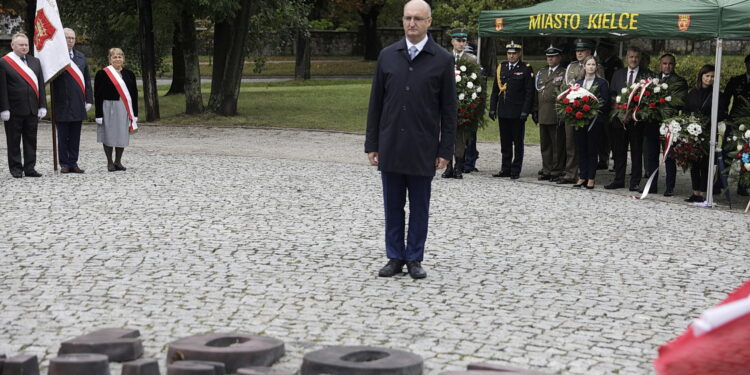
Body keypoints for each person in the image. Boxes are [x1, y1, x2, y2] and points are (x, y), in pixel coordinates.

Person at [365, 0, 456, 279]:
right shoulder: (388, 55)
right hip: (391, 142)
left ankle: (414, 257)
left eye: (417, 18)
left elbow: (449, 109)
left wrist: (445, 149)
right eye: (407, 18)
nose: (411, 23)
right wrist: (372, 144)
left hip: (422, 146)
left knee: (419, 206)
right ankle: (394, 255)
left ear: (429, 22)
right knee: (392, 205)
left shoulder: (441, 59)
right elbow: (376, 103)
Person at [605, 46, 653, 191]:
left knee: (637, 151)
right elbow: (612, 95)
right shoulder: (618, 74)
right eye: (631, 57)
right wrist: (619, 113)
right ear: (627, 58)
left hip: (637, 121)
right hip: (619, 120)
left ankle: (635, 182)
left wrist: (634, 113)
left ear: (640, 58)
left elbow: (648, 99)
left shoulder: (647, 75)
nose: (634, 60)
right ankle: (619, 179)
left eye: (636, 57)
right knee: (619, 151)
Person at [0, 33, 47, 178]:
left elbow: (40, 85)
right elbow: (2, 88)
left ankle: (30, 168)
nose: (24, 47)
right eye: (21, 45)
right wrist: (4, 108)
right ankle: (16, 169)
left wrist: (42, 105)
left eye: (26, 45)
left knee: (31, 140)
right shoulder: (4, 62)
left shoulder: (35, 62)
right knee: (13, 141)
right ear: (13, 46)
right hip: (13, 110)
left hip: (32, 109)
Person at [558, 39, 603, 184]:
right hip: (573, 110)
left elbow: (599, 89)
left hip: (589, 113)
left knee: (588, 146)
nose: (579, 53)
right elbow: (566, 87)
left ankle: (585, 174)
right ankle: (571, 173)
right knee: (571, 143)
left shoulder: (595, 66)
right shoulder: (571, 66)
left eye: (582, 51)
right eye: (577, 51)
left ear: (589, 52)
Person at [489, 41, 533, 179]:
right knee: (505, 142)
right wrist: (492, 108)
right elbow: (495, 90)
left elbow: (529, 92)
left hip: (517, 112)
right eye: (509, 53)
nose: (511, 56)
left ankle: (516, 169)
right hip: (503, 110)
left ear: (519, 54)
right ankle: (505, 168)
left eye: (514, 53)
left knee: (518, 142)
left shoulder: (526, 68)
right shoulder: (501, 67)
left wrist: (525, 111)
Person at [53, 28, 93, 174]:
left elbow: (87, 80)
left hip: (78, 102)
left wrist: (89, 99)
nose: (70, 40)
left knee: (75, 135)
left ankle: (73, 162)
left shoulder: (81, 57)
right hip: (61, 102)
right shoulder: (56, 58)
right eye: (67, 38)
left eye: (72, 38)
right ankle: (64, 163)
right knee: (63, 135)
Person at [684, 65, 726, 203]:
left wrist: (706, 123)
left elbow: (720, 113)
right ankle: (695, 192)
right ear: (701, 76)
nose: (709, 79)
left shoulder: (718, 95)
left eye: (712, 76)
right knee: (694, 163)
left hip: (708, 133)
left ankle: (702, 193)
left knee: (705, 164)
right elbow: (686, 110)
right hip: (693, 133)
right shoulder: (693, 93)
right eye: (707, 76)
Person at [94, 47, 138, 172]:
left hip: (124, 108)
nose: (117, 59)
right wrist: (98, 114)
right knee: (108, 134)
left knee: (122, 134)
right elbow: (97, 95)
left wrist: (134, 114)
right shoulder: (102, 74)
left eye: (120, 56)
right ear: (109, 59)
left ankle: (118, 161)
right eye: (114, 57)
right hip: (108, 107)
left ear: (123, 59)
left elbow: (134, 94)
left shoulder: (129, 74)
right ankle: (109, 162)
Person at [443, 27, 477, 180]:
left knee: (461, 137)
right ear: (452, 42)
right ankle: (448, 166)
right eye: (458, 40)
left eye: (464, 41)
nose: (461, 43)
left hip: (464, 104)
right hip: (446, 104)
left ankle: (458, 167)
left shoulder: (472, 60)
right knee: (446, 135)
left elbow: (476, 82)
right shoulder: (444, 58)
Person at [573, 56, 610, 189]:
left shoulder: (601, 83)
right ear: (584, 66)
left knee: (592, 150)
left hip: (595, 121)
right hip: (580, 121)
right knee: (581, 149)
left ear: (596, 67)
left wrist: (592, 109)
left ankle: (591, 178)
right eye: (588, 64)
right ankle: (582, 176)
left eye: (593, 64)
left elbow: (605, 102)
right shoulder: (579, 82)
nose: (591, 67)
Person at [656, 54, 688, 197]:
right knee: (651, 155)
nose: (667, 66)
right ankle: (651, 185)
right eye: (664, 63)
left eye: (670, 64)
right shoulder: (653, 78)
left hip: (669, 123)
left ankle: (669, 186)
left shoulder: (680, 81)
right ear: (660, 64)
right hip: (653, 121)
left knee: (669, 156)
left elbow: (679, 101)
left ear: (674, 65)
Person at [532, 44, 566, 181]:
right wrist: (535, 110)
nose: (550, 59)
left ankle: (556, 170)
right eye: (548, 57)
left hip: (555, 113)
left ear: (559, 58)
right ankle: (546, 169)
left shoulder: (563, 73)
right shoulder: (542, 72)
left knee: (557, 144)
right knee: (545, 144)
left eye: (553, 57)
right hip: (543, 112)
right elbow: (537, 92)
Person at [722, 54, 750, 196]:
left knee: (747, 154)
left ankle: (743, 184)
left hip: (749, 123)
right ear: (746, 64)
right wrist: (726, 116)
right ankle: (720, 181)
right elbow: (726, 99)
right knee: (728, 151)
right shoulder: (736, 80)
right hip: (735, 121)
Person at [596, 40, 623, 171]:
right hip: (601, 101)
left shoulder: (616, 63)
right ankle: (603, 158)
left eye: (601, 50)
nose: (599, 53)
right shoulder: (600, 63)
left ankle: (615, 160)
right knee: (601, 133)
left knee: (612, 134)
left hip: (612, 102)